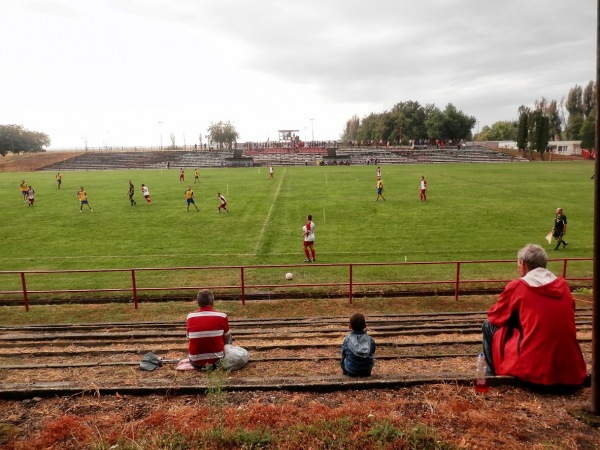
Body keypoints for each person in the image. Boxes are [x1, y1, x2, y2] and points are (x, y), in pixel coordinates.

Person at [482, 244, 586, 386]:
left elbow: (495, 317)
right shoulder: (563, 286)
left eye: (518, 263)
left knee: (487, 325)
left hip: (533, 369)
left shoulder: (518, 286)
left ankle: (491, 376)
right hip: (569, 369)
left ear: (523, 264)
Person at [186, 289, 232, 369]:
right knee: (228, 335)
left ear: (198, 302)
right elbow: (227, 338)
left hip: (196, 363)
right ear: (212, 301)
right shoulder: (222, 316)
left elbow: (188, 338)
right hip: (217, 362)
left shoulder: (190, 317)